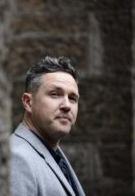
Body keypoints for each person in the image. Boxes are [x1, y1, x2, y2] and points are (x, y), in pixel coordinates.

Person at [10, 56, 85, 196]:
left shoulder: (54, 154)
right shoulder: (17, 158)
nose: (67, 106)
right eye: (55, 94)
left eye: (72, 98)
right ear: (28, 102)